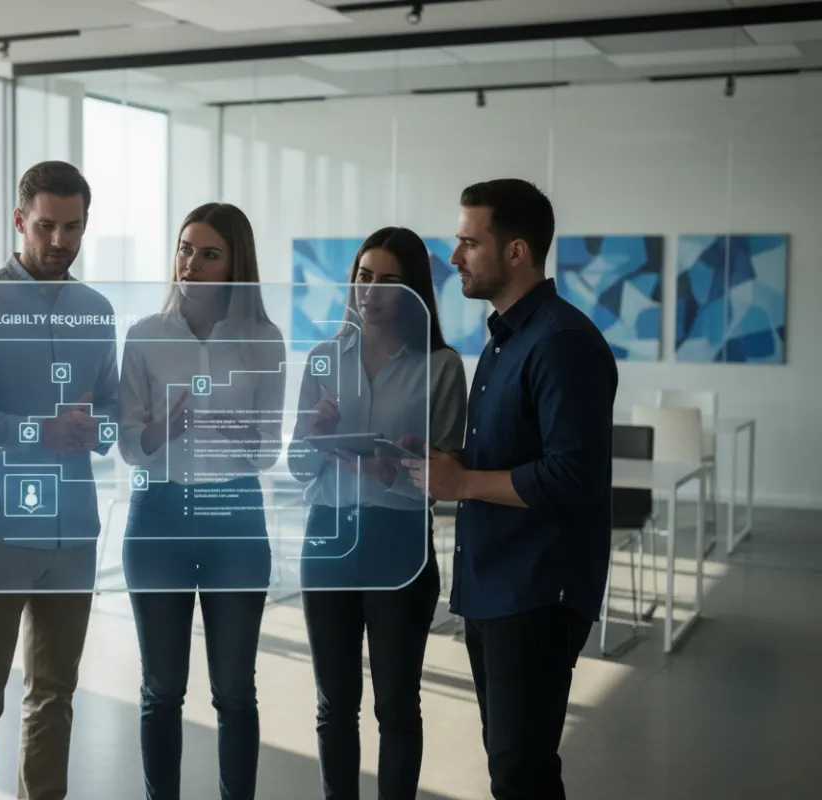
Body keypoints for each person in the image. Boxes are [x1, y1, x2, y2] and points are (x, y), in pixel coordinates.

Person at [403, 179, 617, 800]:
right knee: (512, 766)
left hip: (537, 591)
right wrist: (448, 463)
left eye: (469, 242)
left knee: (520, 771)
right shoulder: (504, 340)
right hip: (496, 586)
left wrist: (463, 479)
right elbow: (509, 455)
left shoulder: (561, 342)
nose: (454, 256)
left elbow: (572, 475)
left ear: (517, 251)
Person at [0, 161, 120, 800]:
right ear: (19, 220)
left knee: (55, 695)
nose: (59, 242)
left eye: (72, 227)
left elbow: (111, 417)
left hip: (73, 532)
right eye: (45, 226)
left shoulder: (98, 312)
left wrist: (120, 423)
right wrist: (38, 431)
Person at [288, 226, 467, 800]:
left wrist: (393, 473)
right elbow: (296, 465)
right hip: (329, 537)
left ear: (414, 288)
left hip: (399, 543)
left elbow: (446, 476)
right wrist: (312, 433)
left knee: (396, 704)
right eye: (364, 277)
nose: (372, 290)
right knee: (334, 704)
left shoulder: (441, 366)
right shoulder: (322, 358)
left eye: (389, 280)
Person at [116, 203, 287, 800]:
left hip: (235, 518)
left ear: (236, 263)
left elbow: (268, 451)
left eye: (209, 253)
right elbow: (128, 447)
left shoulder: (265, 340)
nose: (191, 262)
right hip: (158, 515)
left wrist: (242, 432)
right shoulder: (143, 336)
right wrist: (161, 431)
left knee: (235, 691)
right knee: (161, 689)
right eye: (186, 248)